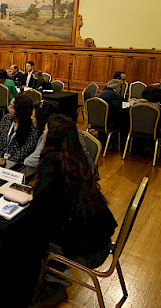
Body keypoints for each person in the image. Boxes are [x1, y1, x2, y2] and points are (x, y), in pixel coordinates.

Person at [34, 114, 117, 267]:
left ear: (53, 135)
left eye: (45, 129)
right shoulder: (76, 157)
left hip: (81, 246)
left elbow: (40, 203)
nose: (42, 133)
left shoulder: (52, 162)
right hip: (99, 236)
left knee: (21, 230)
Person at [0, 93, 39, 165]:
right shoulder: (6, 118)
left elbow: (25, 150)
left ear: (19, 110)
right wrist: (0, 157)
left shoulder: (31, 127)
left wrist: (8, 161)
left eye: (11, 107)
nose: (8, 107)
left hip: (17, 164)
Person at [24, 100, 59, 167]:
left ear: (41, 118)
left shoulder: (49, 134)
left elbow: (31, 162)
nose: (31, 118)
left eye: (33, 116)